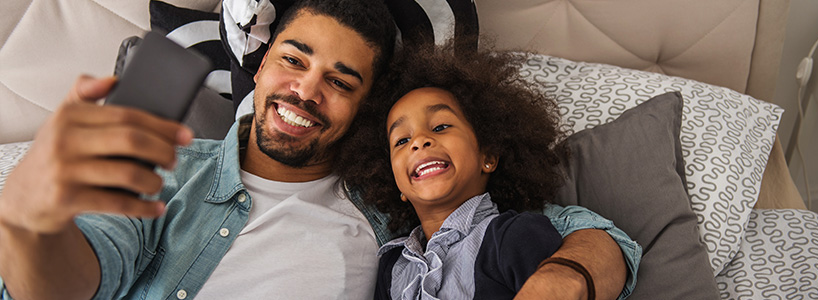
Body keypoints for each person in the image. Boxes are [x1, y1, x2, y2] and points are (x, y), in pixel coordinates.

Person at [0, 0, 638, 299]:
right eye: (293, 60)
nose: (305, 91)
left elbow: (593, 233)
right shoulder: (166, 175)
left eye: (340, 82)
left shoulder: (396, 214)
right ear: (259, 69)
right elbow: (64, 287)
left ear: (365, 111)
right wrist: (25, 223)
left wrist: (563, 277)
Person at [338, 45, 592, 299]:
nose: (419, 141)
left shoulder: (515, 236)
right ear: (394, 183)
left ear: (488, 157)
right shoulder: (391, 265)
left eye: (440, 126)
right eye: (402, 141)